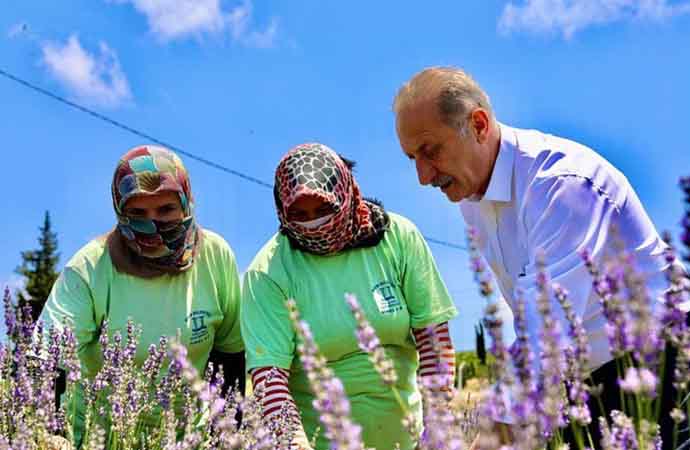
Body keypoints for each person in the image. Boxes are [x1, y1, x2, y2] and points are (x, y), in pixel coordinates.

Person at [392, 66, 687, 449]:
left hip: (662, 368)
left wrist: (487, 439)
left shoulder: (560, 186)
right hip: (586, 382)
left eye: (431, 151)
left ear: (478, 124)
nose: (422, 175)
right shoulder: (471, 198)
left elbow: (546, 335)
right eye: (412, 157)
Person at [240, 142, 458, 450]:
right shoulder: (268, 273)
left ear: (346, 193)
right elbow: (270, 379)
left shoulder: (398, 239)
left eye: (324, 209)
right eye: (299, 214)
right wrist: (294, 445)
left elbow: (433, 340)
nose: (313, 223)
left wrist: (438, 428)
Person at [36, 145, 245, 445]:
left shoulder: (215, 256)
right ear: (119, 211)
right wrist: (50, 437)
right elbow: (45, 362)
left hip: (185, 440)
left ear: (187, 203)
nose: (153, 225)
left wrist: (225, 437)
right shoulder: (90, 267)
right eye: (138, 213)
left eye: (166, 210)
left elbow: (230, 356)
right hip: (100, 439)